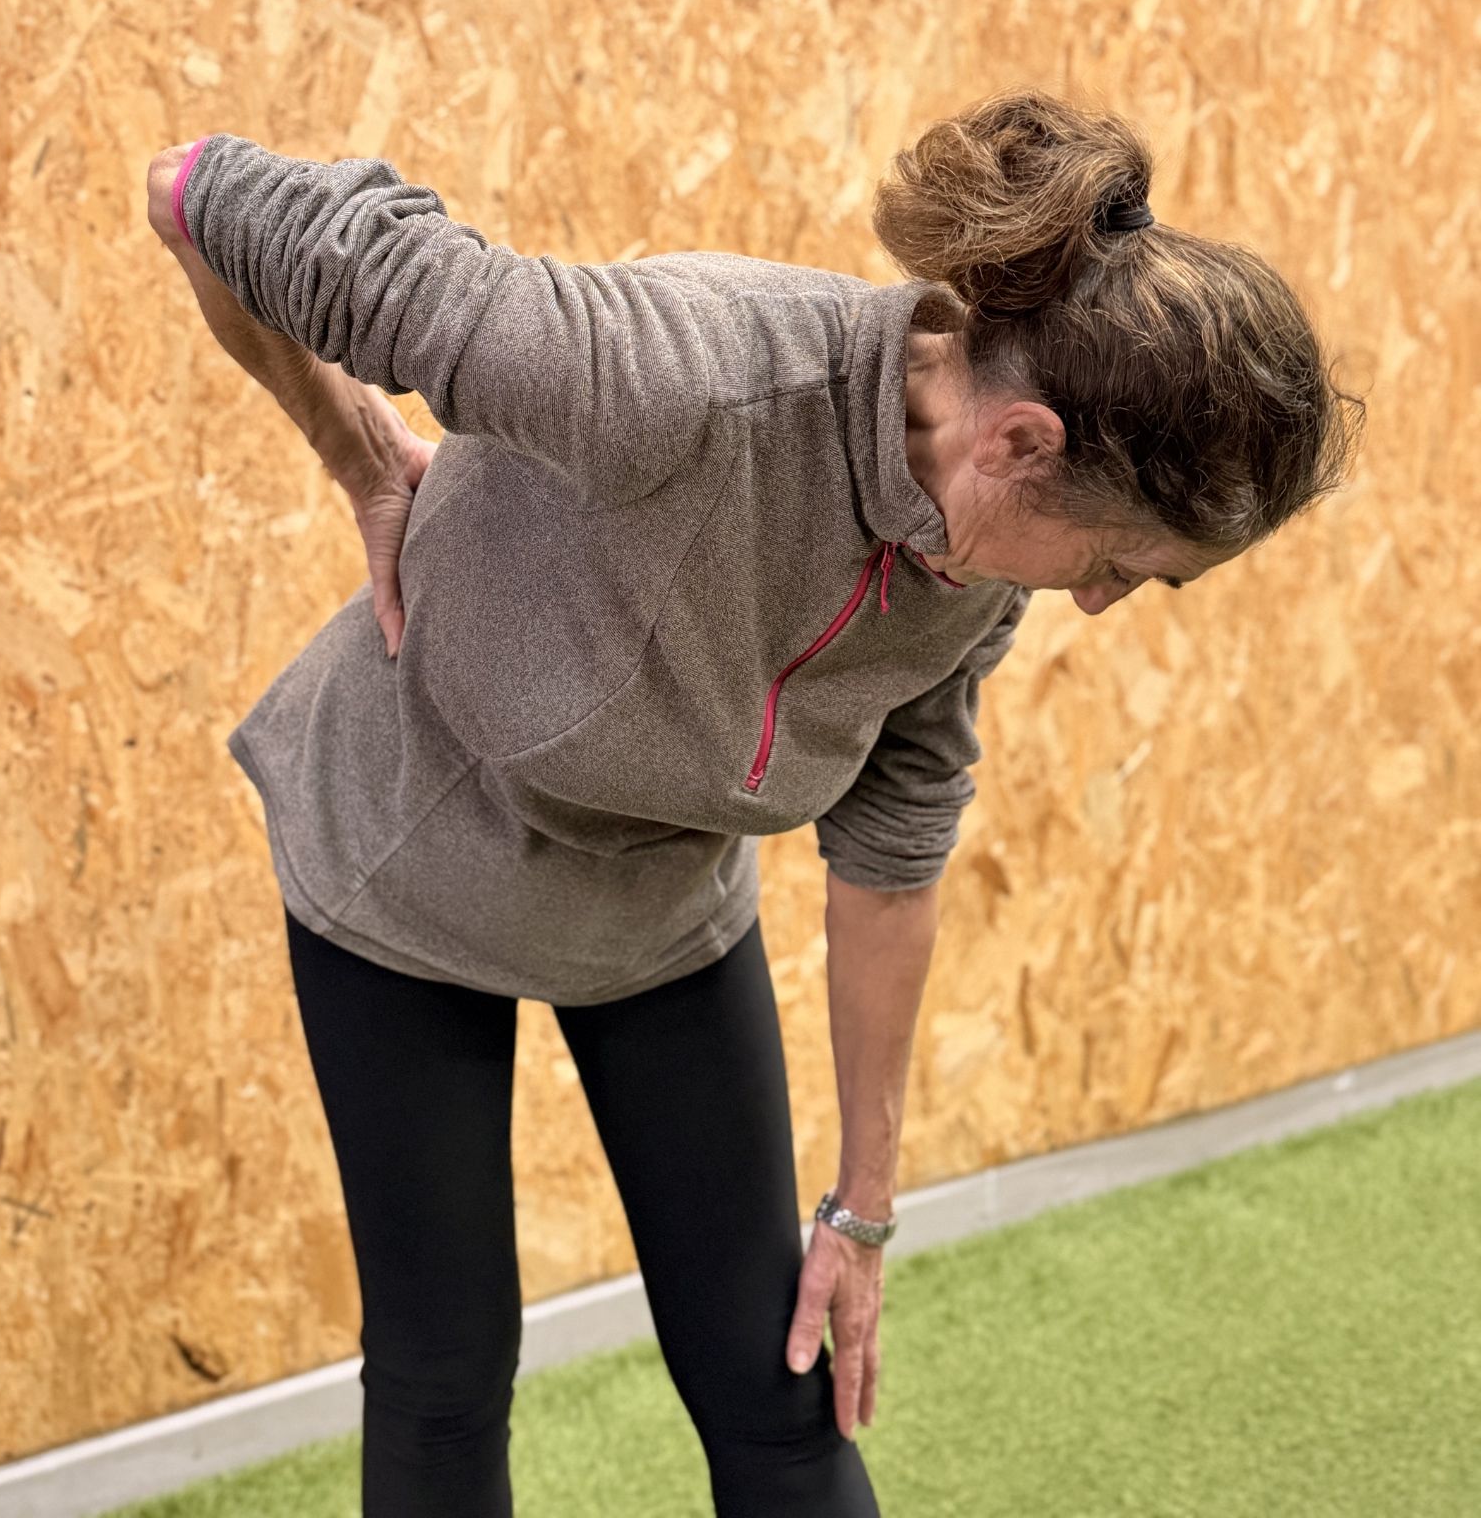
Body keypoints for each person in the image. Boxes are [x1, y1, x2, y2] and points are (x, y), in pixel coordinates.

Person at [146, 86, 1363, 1515]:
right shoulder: (677, 379)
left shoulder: (974, 559)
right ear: (1020, 443)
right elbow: (197, 192)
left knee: (776, 1390)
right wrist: (357, 453)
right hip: (412, 854)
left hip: (662, 894)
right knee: (444, 1366)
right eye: (1117, 563)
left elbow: (895, 846)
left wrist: (861, 1211)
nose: (1096, 601)